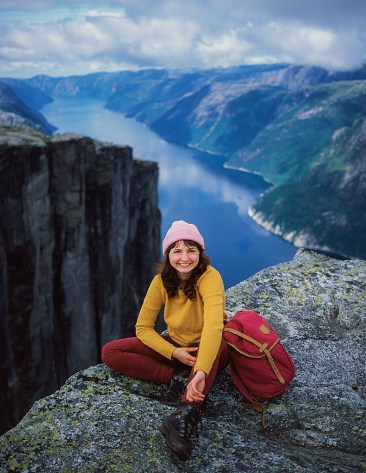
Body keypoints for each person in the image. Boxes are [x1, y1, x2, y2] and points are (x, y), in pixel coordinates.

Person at [102, 220, 229, 461]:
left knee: (220, 341)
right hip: (177, 346)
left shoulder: (210, 277)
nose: (184, 257)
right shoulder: (161, 281)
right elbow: (143, 328)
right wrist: (174, 354)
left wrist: (200, 370)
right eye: (177, 250)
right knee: (111, 352)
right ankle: (178, 379)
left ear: (200, 253)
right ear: (168, 254)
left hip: (209, 348)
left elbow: (214, 327)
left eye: (191, 250)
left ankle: (183, 416)